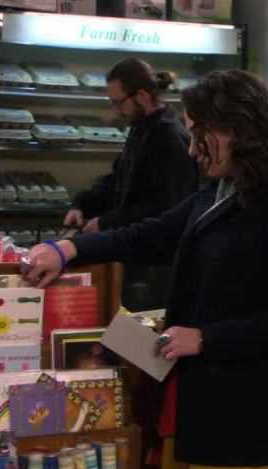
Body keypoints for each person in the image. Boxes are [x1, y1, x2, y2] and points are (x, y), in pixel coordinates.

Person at [25, 69, 268, 469]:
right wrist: (69, 249)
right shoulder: (219, 191)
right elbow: (150, 235)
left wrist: (205, 338)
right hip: (201, 400)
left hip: (244, 410)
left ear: (236, 128)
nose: (191, 148)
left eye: (198, 134)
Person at [64, 58, 198, 310]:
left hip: (155, 269)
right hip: (133, 259)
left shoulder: (170, 138)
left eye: (118, 102)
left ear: (143, 96)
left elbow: (166, 209)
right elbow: (117, 181)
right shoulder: (141, 130)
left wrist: (105, 223)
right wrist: (82, 205)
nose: (115, 110)